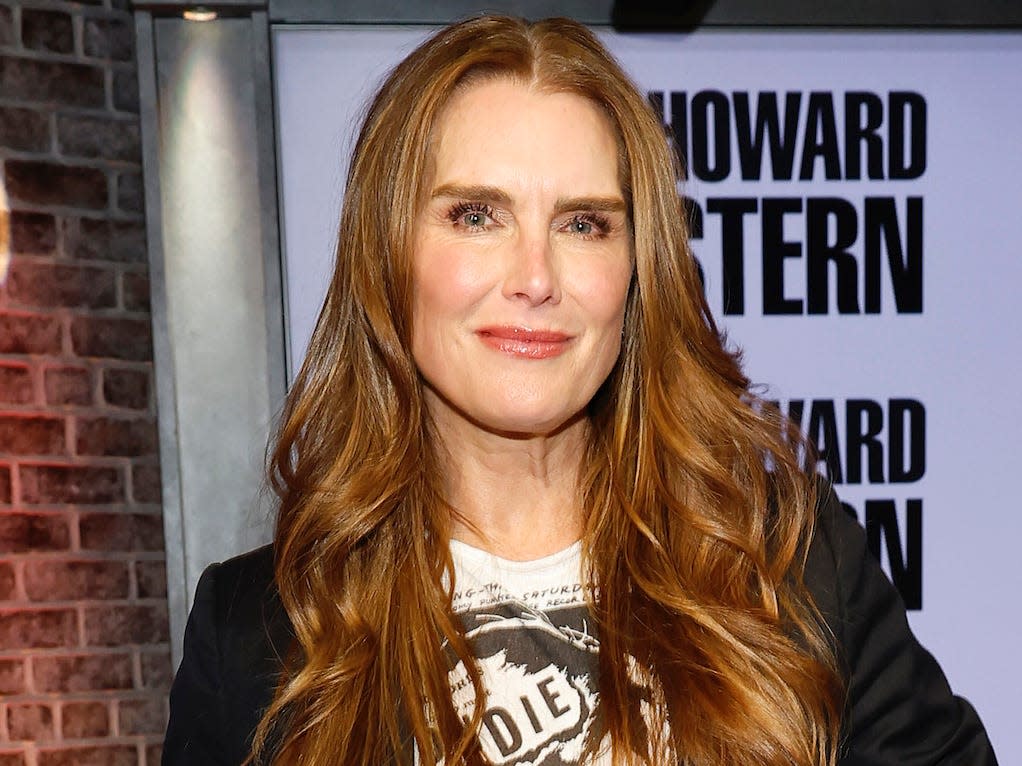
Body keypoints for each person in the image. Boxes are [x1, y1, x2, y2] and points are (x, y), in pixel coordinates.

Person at [162, 15, 997, 766]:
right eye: (477, 216)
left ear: (639, 272)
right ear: (386, 253)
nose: (536, 278)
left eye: (584, 223)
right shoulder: (256, 632)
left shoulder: (793, 565)